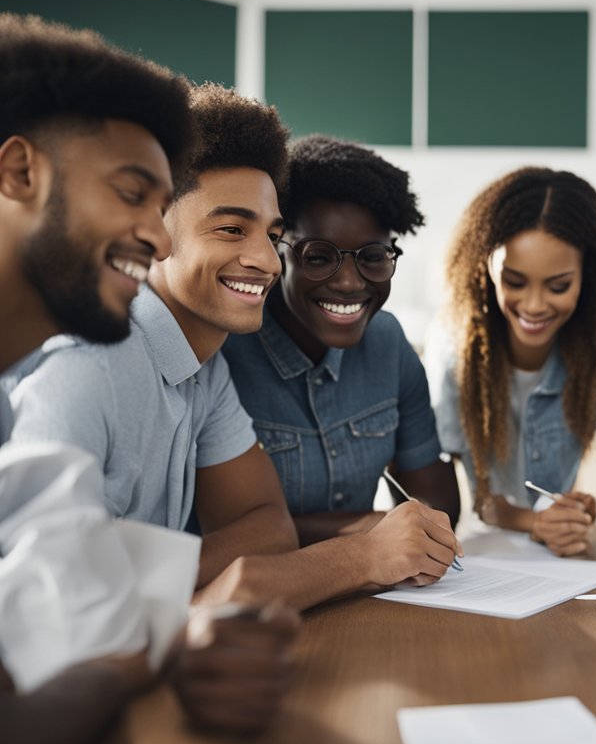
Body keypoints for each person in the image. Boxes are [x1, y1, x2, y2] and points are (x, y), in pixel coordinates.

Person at [9, 83, 462, 611]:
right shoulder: (86, 369)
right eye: (230, 229)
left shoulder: (204, 366)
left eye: (271, 236)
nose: (268, 262)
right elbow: (47, 601)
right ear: (154, 234)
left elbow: (268, 529)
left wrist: (162, 580)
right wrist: (361, 558)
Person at [0, 15, 296, 744]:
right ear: (19, 173)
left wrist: (150, 642)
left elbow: (75, 645)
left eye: (162, 202)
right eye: (134, 194)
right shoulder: (73, 376)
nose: (154, 238)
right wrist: (148, 646)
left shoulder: (27, 403)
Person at [223, 135, 460, 544]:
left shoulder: (388, 344)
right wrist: (373, 528)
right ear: (278, 250)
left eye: (372, 257)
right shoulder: (227, 351)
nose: (350, 283)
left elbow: (437, 503)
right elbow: (224, 531)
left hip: (368, 597)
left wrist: (404, 528)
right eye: (318, 256)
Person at [434, 166, 596, 554]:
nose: (533, 305)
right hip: (488, 554)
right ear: (486, 266)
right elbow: (481, 502)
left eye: (558, 286)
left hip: (561, 565)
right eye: (514, 281)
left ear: (587, 276)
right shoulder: (454, 349)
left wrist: (568, 511)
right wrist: (537, 521)